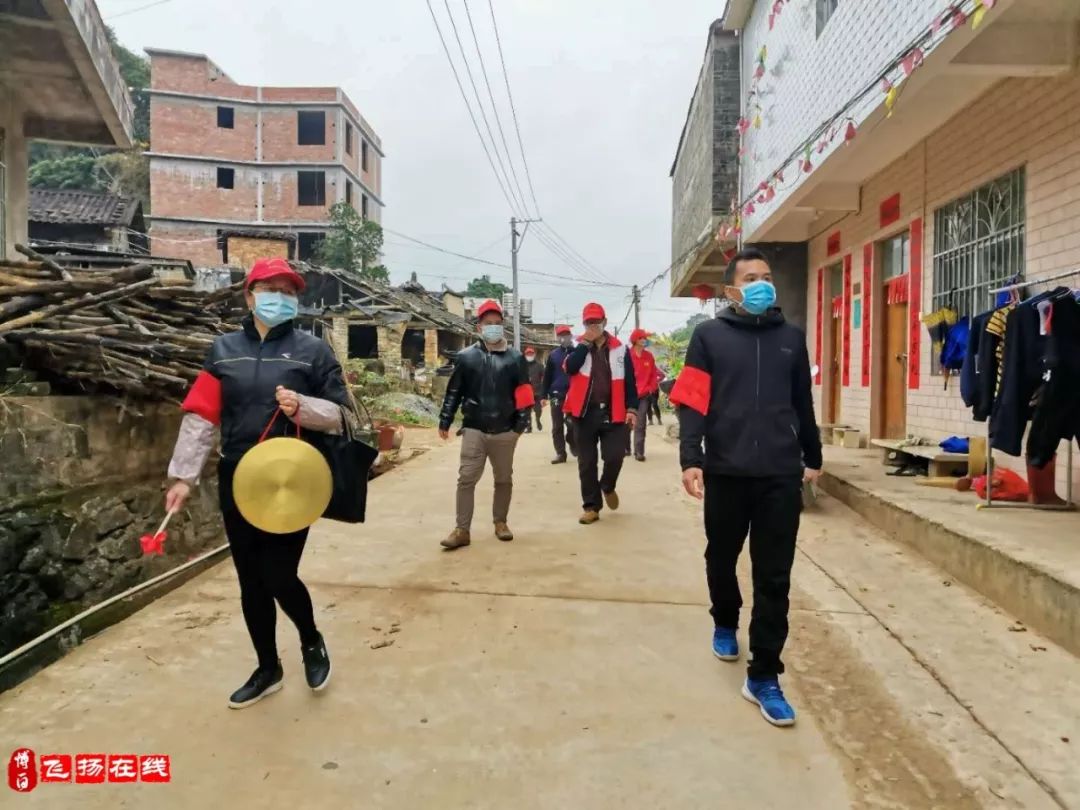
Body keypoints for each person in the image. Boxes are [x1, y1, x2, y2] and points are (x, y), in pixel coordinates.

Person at [164, 257, 348, 709]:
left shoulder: (314, 351)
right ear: (249, 295)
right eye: (270, 289)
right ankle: (268, 667)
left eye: (288, 291)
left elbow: (341, 414)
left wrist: (302, 406)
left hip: (293, 477)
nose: (279, 299)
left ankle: (310, 639)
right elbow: (202, 417)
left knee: (280, 573)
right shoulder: (223, 350)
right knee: (251, 581)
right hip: (239, 478)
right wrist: (183, 477)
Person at [670, 246, 822, 728]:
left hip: (779, 473)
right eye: (751, 276)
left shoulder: (791, 339)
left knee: (774, 576)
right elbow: (692, 401)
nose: (762, 283)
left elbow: (803, 401)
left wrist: (813, 456)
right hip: (727, 471)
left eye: (767, 275)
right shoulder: (709, 337)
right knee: (721, 554)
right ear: (733, 288)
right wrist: (691, 458)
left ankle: (763, 676)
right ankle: (723, 617)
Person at [438, 299, 533, 550]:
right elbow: (454, 391)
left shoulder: (515, 358)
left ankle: (500, 522)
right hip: (474, 429)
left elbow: (524, 394)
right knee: (466, 478)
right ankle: (461, 530)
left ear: (503, 326)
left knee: (503, 479)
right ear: (479, 327)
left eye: (497, 324)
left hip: (504, 431)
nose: (493, 328)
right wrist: (445, 419)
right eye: (488, 324)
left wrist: (519, 428)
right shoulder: (466, 357)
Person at [563, 303, 638, 525]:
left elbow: (630, 383)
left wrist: (632, 408)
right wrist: (585, 343)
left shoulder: (620, 349)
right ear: (584, 324)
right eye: (589, 322)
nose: (593, 326)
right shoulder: (577, 348)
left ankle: (607, 485)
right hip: (584, 414)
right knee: (586, 463)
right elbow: (570, 368)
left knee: (615, 456)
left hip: (613, 412)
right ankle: (591, 506)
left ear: (605, 323)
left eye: (597, 322)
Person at [542, 325, 577, 463]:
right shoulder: (553, 355)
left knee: (572, 423)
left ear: (571, 335)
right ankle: (560, 453)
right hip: (556, 396)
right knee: (557, 425)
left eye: (567, 334)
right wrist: (544, 395)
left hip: (573, 394)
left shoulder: (577, 353)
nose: (564, 337)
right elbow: (547, 376)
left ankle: (572, 440)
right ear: (558, 337)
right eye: (561, 335)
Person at [626, 328, 658, 461]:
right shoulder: (627, 355)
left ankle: (639, 451)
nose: (644, 340)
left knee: (641, 423)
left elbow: (653, 375)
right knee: (627, 422)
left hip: (644, 394)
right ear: (635, 340)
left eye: (645, 338)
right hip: (629, 394)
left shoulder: (649, 356)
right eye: (641, 338)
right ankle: (626, 447)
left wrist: (651, 388)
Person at [523, 347, 545, 433]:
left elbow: (544, 377)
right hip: (526, 393)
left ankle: (538, 419)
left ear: (534, 355)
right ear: (525, 355)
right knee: (527, 412)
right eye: (528, 354)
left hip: (537, 391)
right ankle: (529, 427)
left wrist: (544, 389)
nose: (529, 355)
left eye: (531, 354)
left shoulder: (539, 366)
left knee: (538, 409)